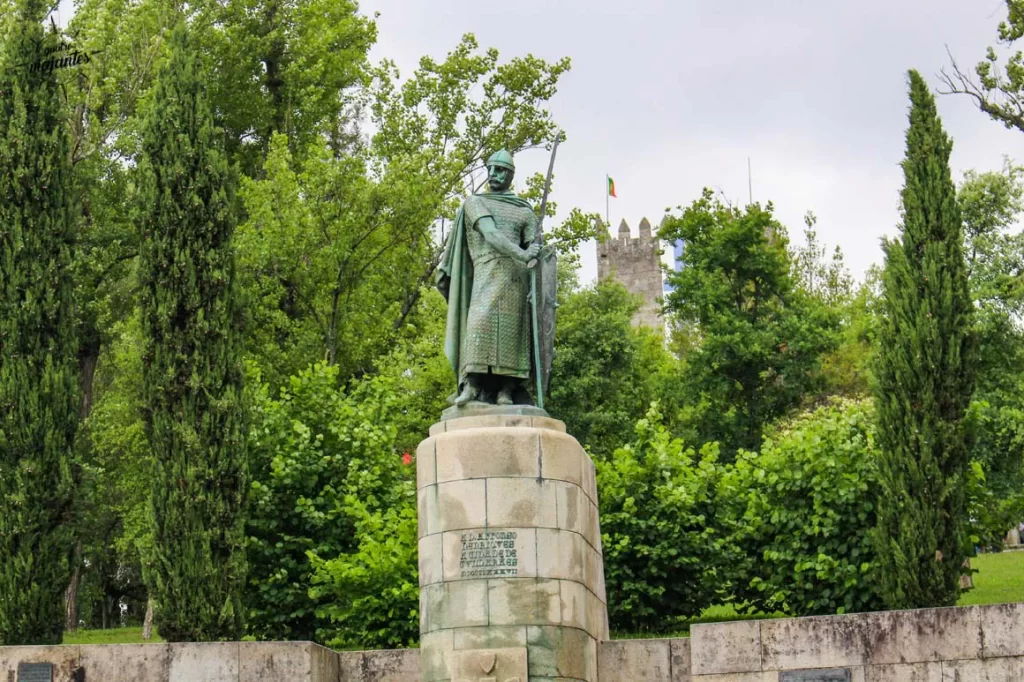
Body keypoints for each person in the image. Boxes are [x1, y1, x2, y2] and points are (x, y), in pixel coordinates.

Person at [436, 149, 540, 407]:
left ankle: (506, 390)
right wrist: (523, 253)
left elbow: (536, 249)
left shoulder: (524, 211)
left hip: (516, 280)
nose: (493, 174)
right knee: (478, 325)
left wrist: (537, 253)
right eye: (491, 168)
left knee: (512, 333)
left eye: (500, 170)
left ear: (511, 174)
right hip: (485, 275)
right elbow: (490, 233)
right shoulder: (475, 203)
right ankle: (471, 385)